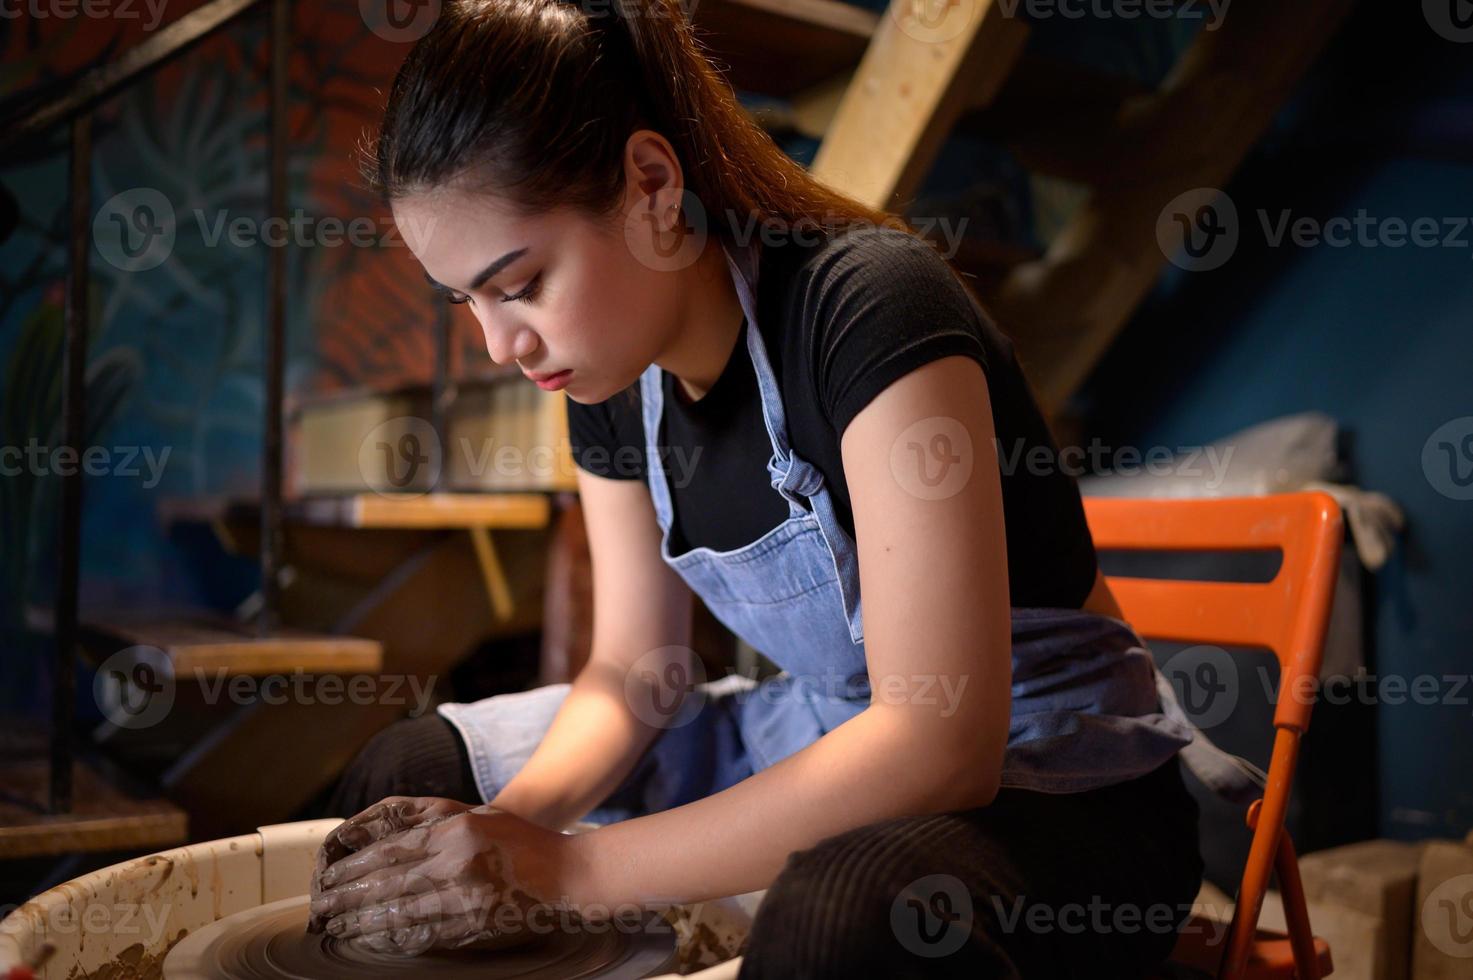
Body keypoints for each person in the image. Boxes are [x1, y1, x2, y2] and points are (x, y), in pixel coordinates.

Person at [309, 0, 1258, 974]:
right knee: (407, 783)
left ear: (650, 182)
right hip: (818, 721)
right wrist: (498, 834)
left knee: (841, 913)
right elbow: (635, 673)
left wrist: (566, 868)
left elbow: (939, 741)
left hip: (1051, 770)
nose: (499, 344)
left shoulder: (871, 310)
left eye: (520, 284)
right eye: (465, 298)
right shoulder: (605, 376)